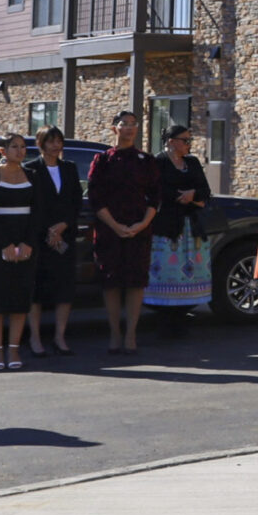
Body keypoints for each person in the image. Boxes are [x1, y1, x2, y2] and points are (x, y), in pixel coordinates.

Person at [86, 110, 160, 354]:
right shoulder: (103, 160)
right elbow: (95, 198)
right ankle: (115, 334)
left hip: (139, 229)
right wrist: (116, 226)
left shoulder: (146, 160)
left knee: (136, 282)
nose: (129, 128)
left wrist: (142, 224)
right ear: (114, 128)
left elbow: (155, 198)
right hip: (109, 231)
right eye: (124, 124)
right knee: (112, 283)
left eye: (133, 124)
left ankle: (131, 335)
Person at [0, 133, 46, 371]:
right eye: (14, 146)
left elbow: (38, 212)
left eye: (23, 147)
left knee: (21, 294)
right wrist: (5, 243)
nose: (20, 150)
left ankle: (14, 348)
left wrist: (28, 242)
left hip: (26, 239)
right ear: (2, 150)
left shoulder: (33, 176)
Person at [145, 124, 214, 316]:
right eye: (185, 140)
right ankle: (166, 320)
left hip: (191, 229)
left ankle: (183, 316)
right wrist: (186, 198)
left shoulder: (191, 162)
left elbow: (205, 191)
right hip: (167, 229)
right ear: (171, 142)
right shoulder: (158, 163)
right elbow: (158, 191)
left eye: (189, 140)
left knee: (189, 277)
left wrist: (193, 195)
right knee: (167, 276)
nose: (188, 144)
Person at [23, 126, 81, 356]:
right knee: (36, 289)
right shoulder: (31, 169)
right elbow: (31, 204)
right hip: (39, 237)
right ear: (41, 143)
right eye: (51, 141)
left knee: (64, 287)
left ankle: (60, 336)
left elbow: (76, 201)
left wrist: (63, 225)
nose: (56, 145)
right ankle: (35, 337)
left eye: (59, 141)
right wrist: (49, 230)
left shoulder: (69, 168)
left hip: (65, 235)